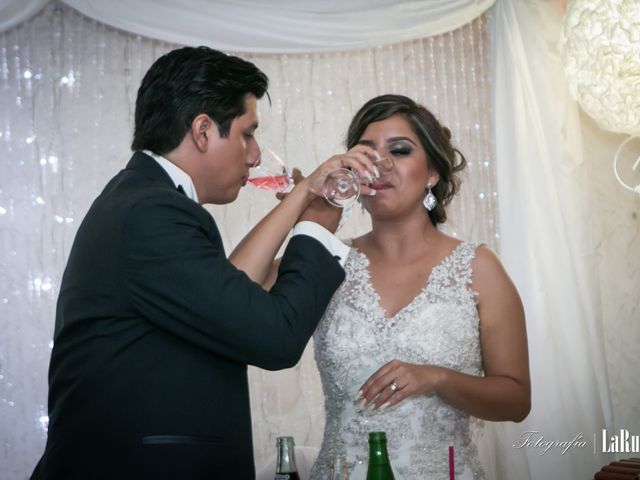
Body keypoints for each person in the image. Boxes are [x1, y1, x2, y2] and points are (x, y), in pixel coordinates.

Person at [30, 46, 378, 480]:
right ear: (202, 130)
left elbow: (235, 288)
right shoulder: (152, 214)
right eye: (248, 134)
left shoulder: (142, 199)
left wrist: (305, 194)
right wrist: (317, 227)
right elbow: (275, 338)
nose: (254, 155)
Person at [307, 95, 531, 479]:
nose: (381, 163)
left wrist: (437, 378)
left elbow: (515, 401)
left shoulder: (477, 267)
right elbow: (233, 289)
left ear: (432, 173)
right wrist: (304, 200)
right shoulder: (327, 261)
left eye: (400, 150)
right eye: (366, 152)